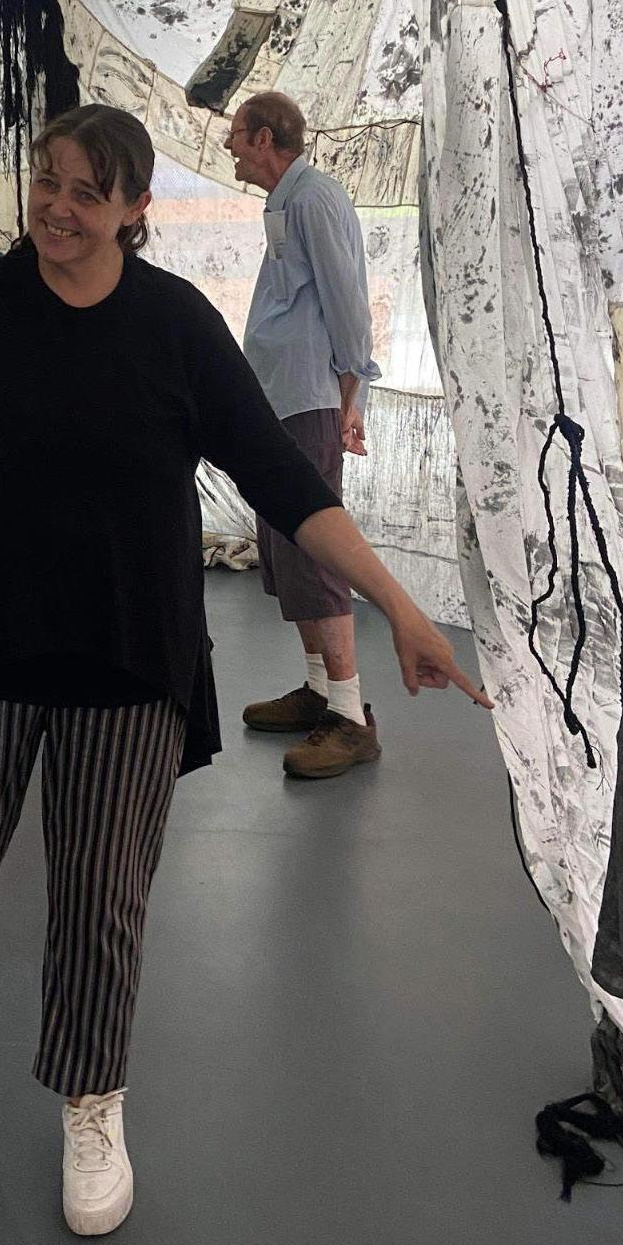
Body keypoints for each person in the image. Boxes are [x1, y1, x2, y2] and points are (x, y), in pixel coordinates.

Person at [0, 103, 490, 1238]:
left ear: (135, 209)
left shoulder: (174, 325)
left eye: (87, 192)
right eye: (47, 181)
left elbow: (284, 481)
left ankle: (92, 1103)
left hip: (129, 648)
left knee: (102, 891)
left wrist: (399, 605)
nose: (58, 208)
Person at [224, 91, 389, 779]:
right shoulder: (287, 201)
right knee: (288, 550)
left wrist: (352, 393)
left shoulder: (314, 198)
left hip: (309, 399)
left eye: (237, 134)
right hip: (282, 400)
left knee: (315, 551)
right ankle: (321, 690)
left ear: (265, 138)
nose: (229, 146)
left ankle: (349, 716)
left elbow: (348, 302)